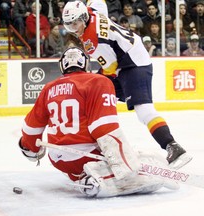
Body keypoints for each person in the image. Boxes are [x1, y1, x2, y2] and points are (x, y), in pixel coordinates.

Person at [19, 47, 178, 197]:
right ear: (86, 64)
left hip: (58, 159)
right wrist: (123, 163)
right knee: (138, 164)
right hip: (87, 155)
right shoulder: (98, 81)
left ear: (62, 66)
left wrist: (31, 149)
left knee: (81, 169)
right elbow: (104, 128)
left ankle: (84, 178)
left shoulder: (48, 88)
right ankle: (99, 180)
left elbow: (30, 130)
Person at [62, 0, 192, 169]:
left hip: (133, 64)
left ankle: (173, 146)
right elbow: (99, 2)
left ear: (84, 17)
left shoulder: (93, 41)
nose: (74, 28)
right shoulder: (93, 12)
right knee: (94, 93)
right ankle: (94, 143)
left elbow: (110, 67)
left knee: (143, 110)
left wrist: (105, 85)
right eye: (70, 25)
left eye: (76, 23)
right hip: (128, 56)